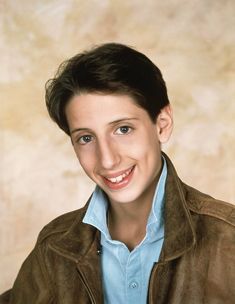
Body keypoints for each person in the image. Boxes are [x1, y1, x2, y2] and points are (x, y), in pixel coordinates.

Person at [1, 43, 235, 304]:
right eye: (86, 137)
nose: (108, 159)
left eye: (123, 129)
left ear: (162, 125)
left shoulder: (228, 238)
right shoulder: (53, 249)